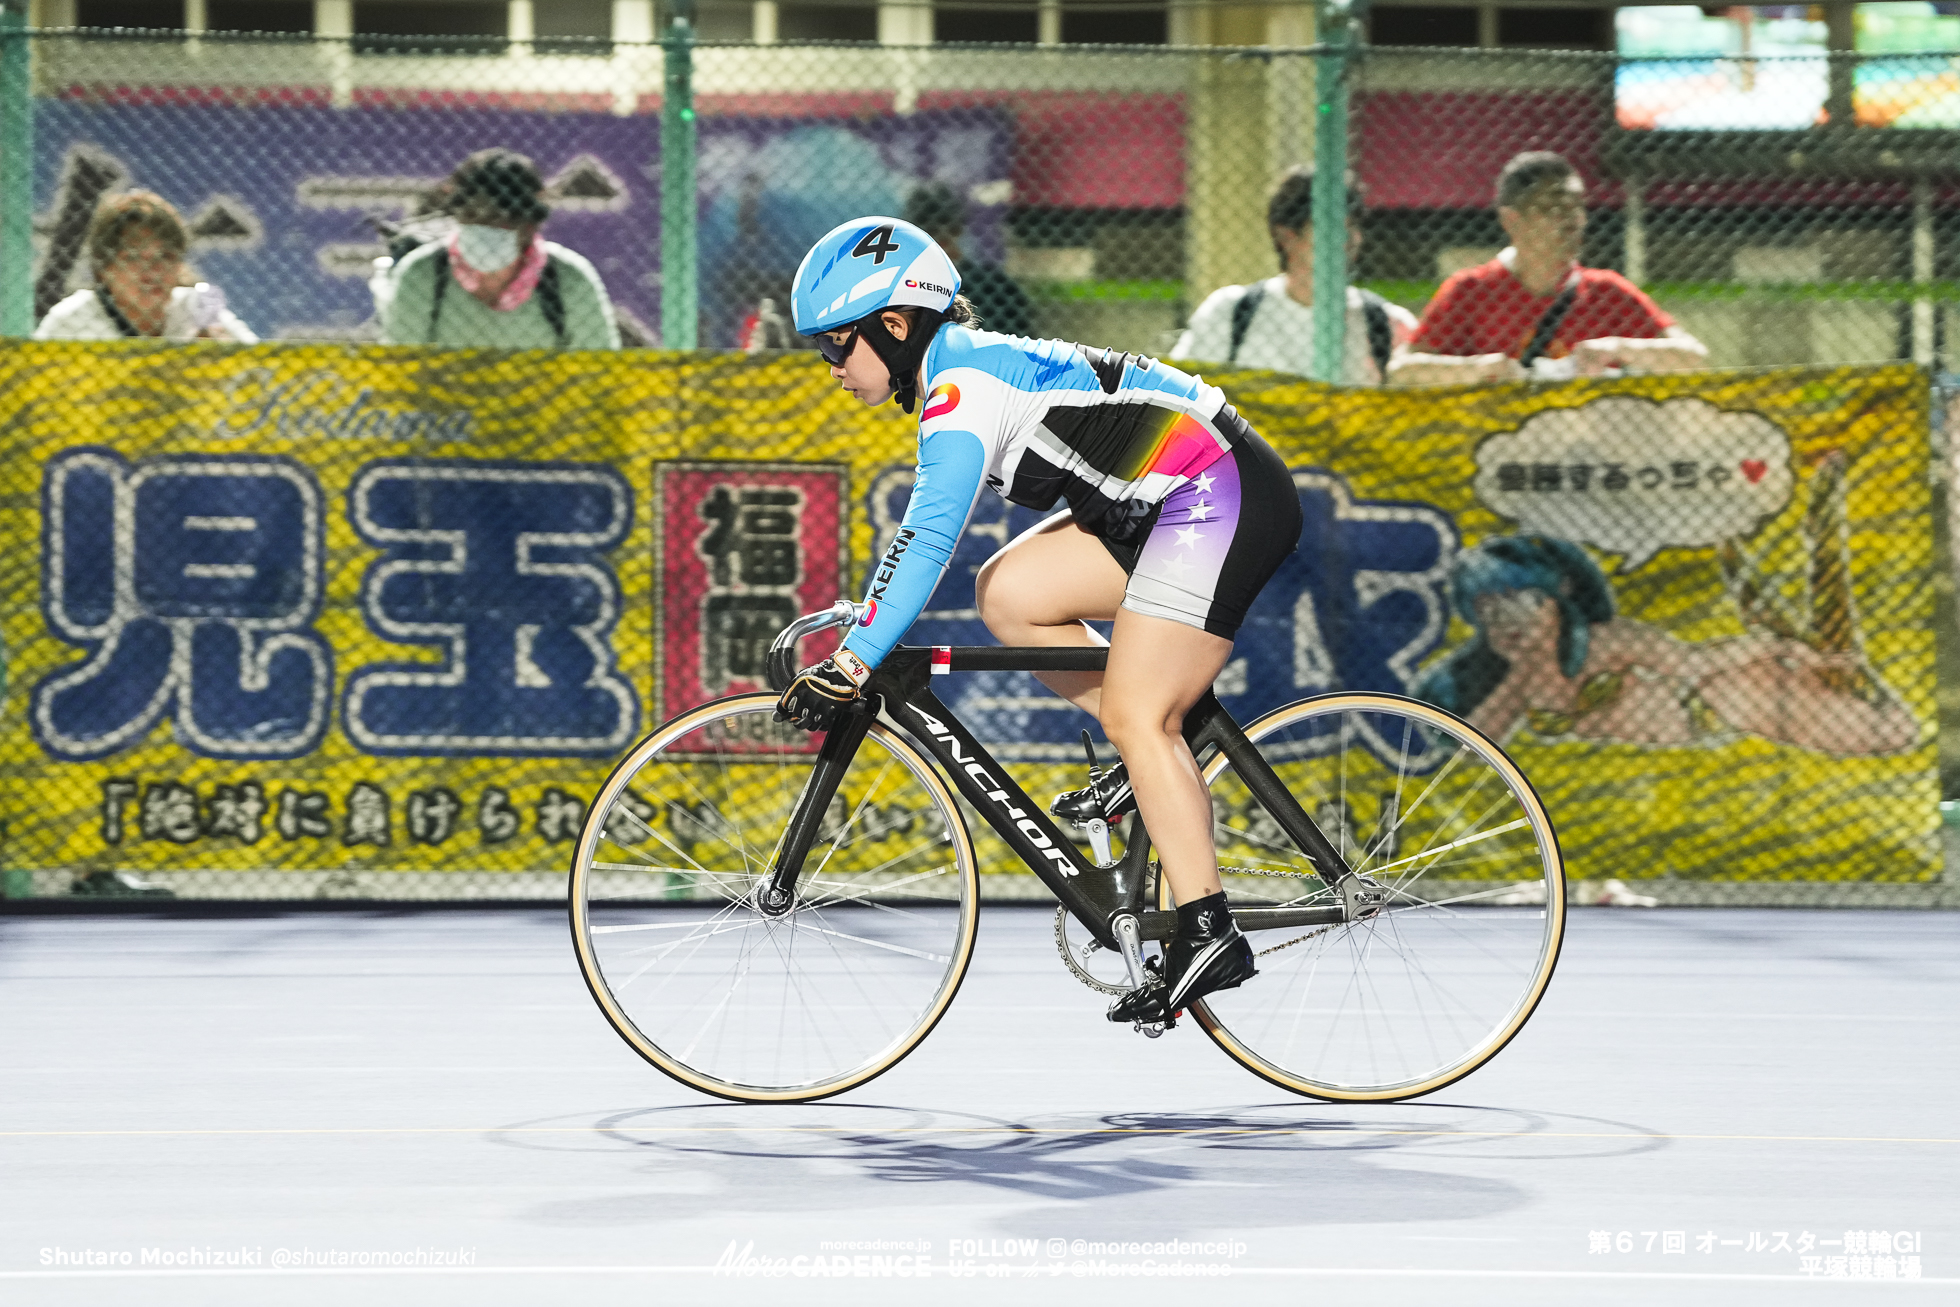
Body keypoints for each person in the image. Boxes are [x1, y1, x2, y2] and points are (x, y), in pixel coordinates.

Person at [775, 216, 1303, 1027]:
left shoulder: (960, 387)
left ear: (894, 323)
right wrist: (865, 633)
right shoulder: (956, 369)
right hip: (1167, 498)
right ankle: (1149, 753)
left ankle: (1208, 927)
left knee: (1138, 711)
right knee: (1011, 593)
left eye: (836, 347)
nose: (831, 368)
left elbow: (926, 535)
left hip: (1215, 490)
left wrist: (854, 659)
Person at [1413, 530, 1915, 755]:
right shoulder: (1518, 680)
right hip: (1697, 730)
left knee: (1892, 732)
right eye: (1487, 610)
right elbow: (1474, 745)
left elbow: (1693, 662)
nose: (1506, 620)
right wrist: (1511, 684)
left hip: (1722, 702)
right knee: (1882, 729)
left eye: (1523, 600)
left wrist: (1771, 647)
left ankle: (1827, 662)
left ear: (1555, 600)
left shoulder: (1610, 641)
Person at [1389, 152, 1706, 385]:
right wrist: (1484, 368)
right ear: (1512, 220)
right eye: (1552, 207)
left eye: (1577, 206)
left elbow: (1695, 357)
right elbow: (1402, 371)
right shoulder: (1470, 291)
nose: (1571, 220)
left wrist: (1618, 348)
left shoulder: (1608, 291)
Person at [1172, 166, 1415, 384]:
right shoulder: (1231, 313)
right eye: (1330, 228)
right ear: (1287, 236)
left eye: (1352, 226)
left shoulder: (1386, 323)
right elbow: (1178, 396)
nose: (1348, 240)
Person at [380, 148, 620, 349]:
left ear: (529, 224)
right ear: (457, 215)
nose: (485, 228)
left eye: (500, 219)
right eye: (472, 215)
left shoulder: (569, 279)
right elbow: (399, 370)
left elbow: (603, 372)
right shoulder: (422, 274)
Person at [35, 190, 258, 343]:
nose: (153, 270)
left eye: (166, 257)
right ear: (104, 267)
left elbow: (263, 371)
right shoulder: (70, 322)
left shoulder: (198, 306)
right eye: (134, 257)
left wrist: (228, 357)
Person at [905, 181, 1032, 339]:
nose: (940, 239)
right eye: (931, 232)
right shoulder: (904, 288)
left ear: (958, 230)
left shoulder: (996, 286)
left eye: (949, 229)